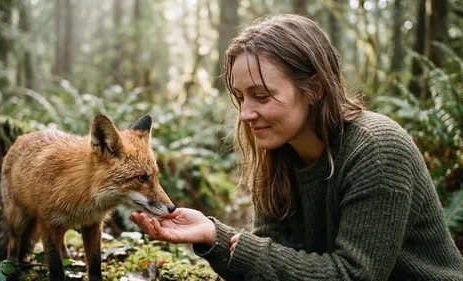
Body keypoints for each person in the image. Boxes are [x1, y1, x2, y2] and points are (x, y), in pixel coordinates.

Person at [130, 14, 463, 280]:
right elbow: (273, 262)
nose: (245, 113)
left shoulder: (376, 149)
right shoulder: (276, 152)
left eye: (262, 96)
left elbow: (353, 274)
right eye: (240, 97)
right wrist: (211, 236)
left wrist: (241, 246)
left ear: (314, 88)